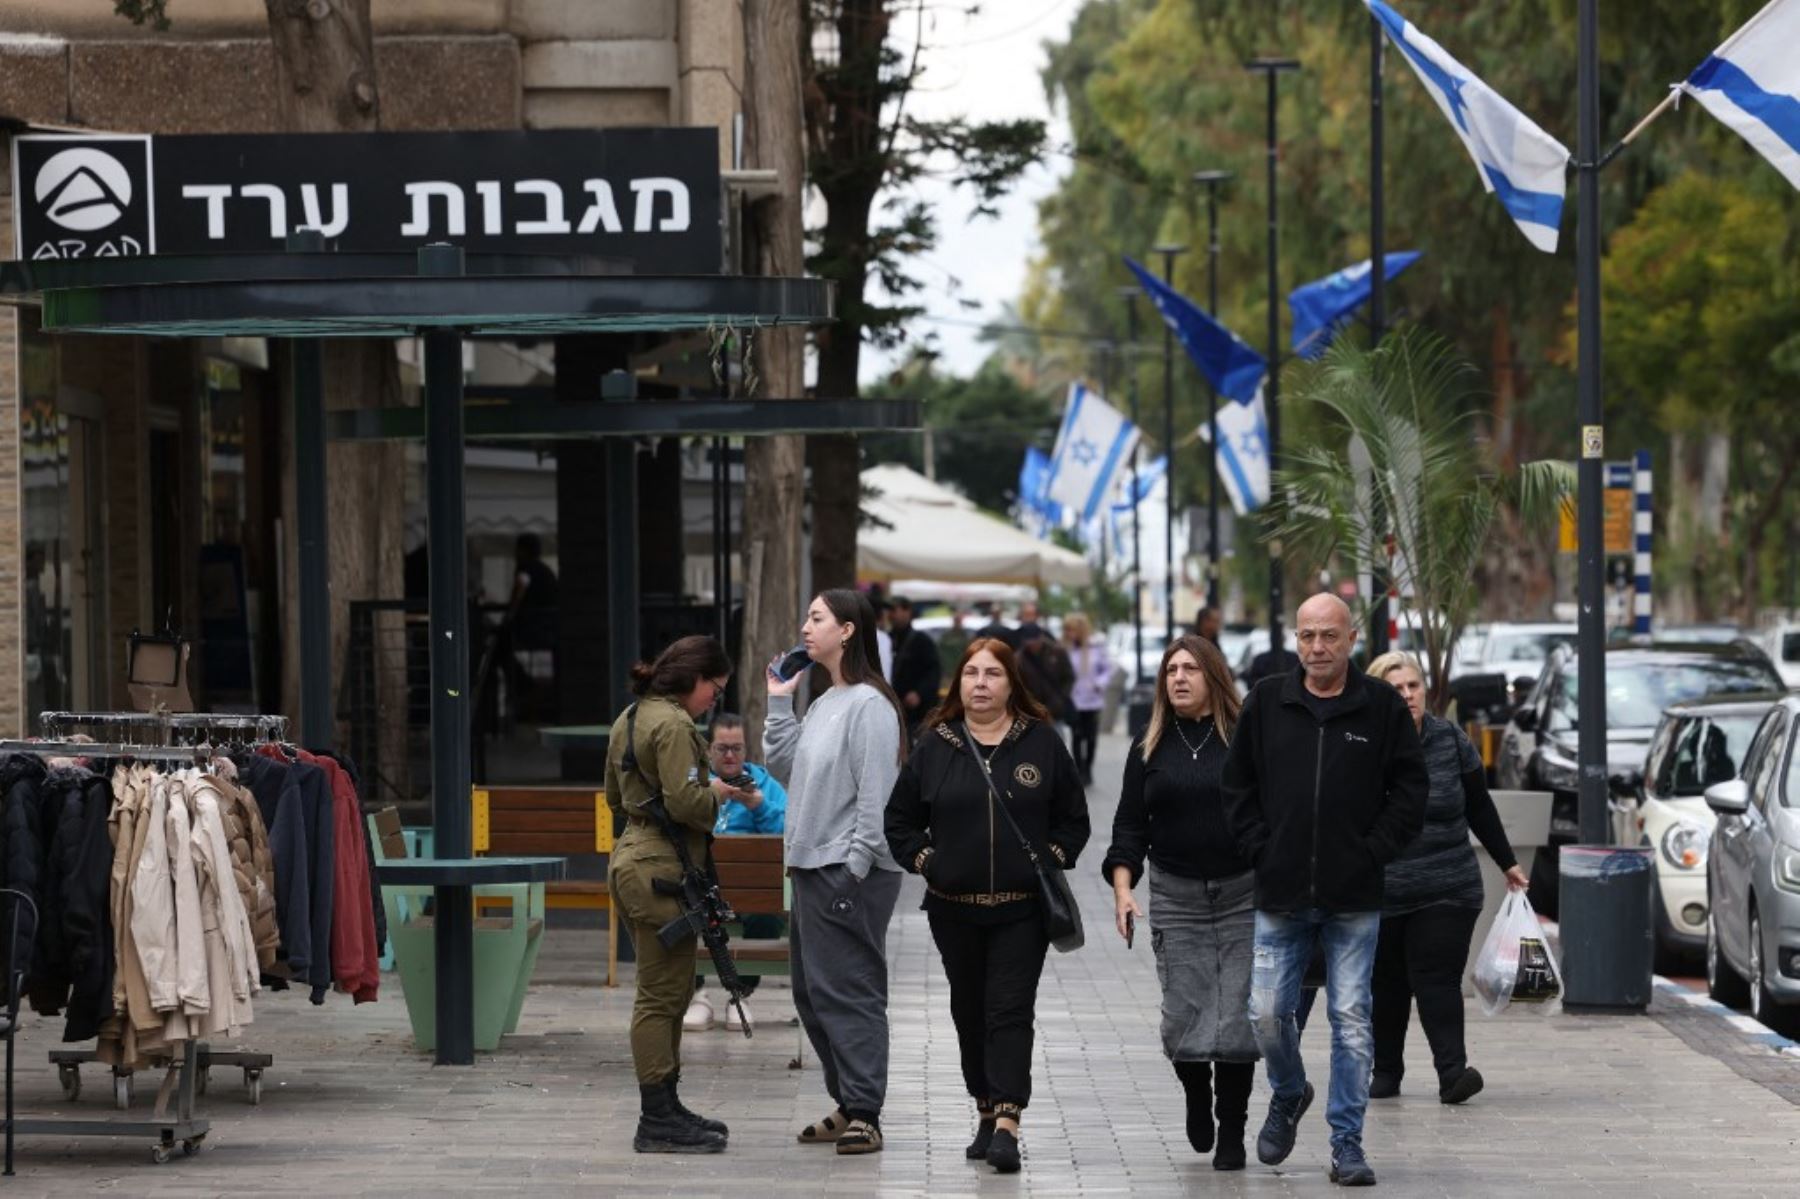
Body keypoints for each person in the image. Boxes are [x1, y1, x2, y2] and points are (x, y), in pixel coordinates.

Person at [1221, 593, 1427, 1187]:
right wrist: (1261, 848)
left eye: (1328, 636)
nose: (1317, 647)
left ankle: (1347, 1143)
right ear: (1295, 638)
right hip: (1280, 891)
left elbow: (1409, 792)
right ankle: (1289, 1091)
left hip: (1355, 897)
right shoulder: (1266, 702)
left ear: (1351, 638)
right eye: (1307, 635)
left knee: (1351, 1018)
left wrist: (1372, 851)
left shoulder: (1381, 707)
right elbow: (1237, 787)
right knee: (1265, 1014)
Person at [885, 638, 1090, 1175]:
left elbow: (1075, 818)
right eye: (971, 673)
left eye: (992, 674)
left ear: (1010, 684)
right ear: (958, 683)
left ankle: (1007, 1124)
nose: (980, 683)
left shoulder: (1042, 742)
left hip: (1023, 911)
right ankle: (983, 1106)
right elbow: (899, 821)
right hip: (954, 909)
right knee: (969, 1013)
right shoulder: (936, 744)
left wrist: (1052, 856)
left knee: (1009, 1011)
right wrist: (928, 861)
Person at [764, 589, 910, 1156]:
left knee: (849, 992)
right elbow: (786, 767)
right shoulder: (827, 701)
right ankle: (849, 1100)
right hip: (810, 865)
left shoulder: (870, 706)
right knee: (811, 994)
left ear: (847, 630)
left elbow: (878, 798)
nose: (805, 627)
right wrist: (781, 701)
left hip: (847, 870)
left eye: (817, 618)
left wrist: (853, 870)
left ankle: (866, 1111)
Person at [1105, 634, 1258, 1171]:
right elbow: (1128, 827)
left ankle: (1234, 1131)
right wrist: (1124, 890)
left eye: (1191, 668)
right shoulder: (1148, 747)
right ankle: (1198, 1092)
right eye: (1172, 670)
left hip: (1243, 894)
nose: (1179, 678)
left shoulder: (1244, 739)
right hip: (1175, 895)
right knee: (1182, 1020)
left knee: (1238, 1018)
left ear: (1213, 676)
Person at [1364, 651, 1529, 1105]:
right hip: (1383, 889)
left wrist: (1507, 862)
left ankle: (1452, 1073)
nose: (1408, 695)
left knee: (1435, 976)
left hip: (1448, 885)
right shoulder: (1362, 745)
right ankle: (1387, 1070)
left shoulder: (1449, 739)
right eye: (1396, 689)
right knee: (1388, 983)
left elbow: (1478, 804)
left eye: (1413, 686)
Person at [603, 634, 736, 1154]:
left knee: (673, 989)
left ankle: (668, 1105)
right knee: (661, 996)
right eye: (715, 689)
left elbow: (615, 796)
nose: (714, 701)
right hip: (662, 866)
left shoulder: (630, 717)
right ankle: (656, 1117)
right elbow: (686, 804)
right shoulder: (676, 723)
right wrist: (717, 796)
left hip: (635, 854)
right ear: (694, 678)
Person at [683, 712, 788, 1035]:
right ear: (708, 749)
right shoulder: (694, 783)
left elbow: (789, 832)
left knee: (766, 913)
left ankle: (739, 993)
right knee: (676, 909)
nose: (730, 756)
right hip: (700, 887)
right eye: (722, 748)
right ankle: (695, 994)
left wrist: (758, 806)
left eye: (737, 748)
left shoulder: (765, 784)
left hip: (749, 892)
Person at [1063, 613, 1113, 785]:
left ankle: (1088, 768)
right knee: (1077, 736)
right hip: (1073, 701)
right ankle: (1079, 771)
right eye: (1067, 630)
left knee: (1091, 737)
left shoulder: (1096, 648)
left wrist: (1099, 683)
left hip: (1093, 700)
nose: (1069, 633)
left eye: (1072, 629)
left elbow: (1107, 669)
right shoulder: (1066, 649)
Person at [889, 595, 943, 739]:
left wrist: (919, 693)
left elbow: (933, 671)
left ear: (907, 612)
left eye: (895, 610)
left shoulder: (922, 641)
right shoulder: (887, 639)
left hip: (915, 712)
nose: (891, 615)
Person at [1015, 620, 1074, 728]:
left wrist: (1061, 699)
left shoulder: (1057, 652)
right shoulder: (1019, 659)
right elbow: (1018, 686)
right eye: (1028, 641)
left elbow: (1069, 677)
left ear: (1041, 637)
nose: (1032, 645)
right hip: (1032, 712)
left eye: (1034, 641)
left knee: (1056, 742)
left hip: (1055, 711)